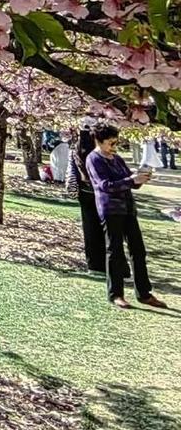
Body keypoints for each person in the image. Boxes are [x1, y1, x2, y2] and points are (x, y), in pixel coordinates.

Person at [85, 123, 168, 311]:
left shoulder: (117, 159)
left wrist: (140, 178)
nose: (114, 147)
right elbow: (104, 185)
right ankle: (116, 294)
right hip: (110, 209)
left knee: (138, 250)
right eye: (111, 143)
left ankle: (144, 293)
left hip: (128, 209)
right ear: (99, 141)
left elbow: (129, 181)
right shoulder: (94, 159)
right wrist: (131, 180)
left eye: (116, 142)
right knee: (114, 251)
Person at [67, 139, 107, 275]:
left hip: (85, 191)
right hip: (100, 191)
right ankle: (106, 264)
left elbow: (72, 168)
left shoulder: (77, 145)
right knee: (105, 229)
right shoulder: (101, 147)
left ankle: (94, 265)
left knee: (90, 228)